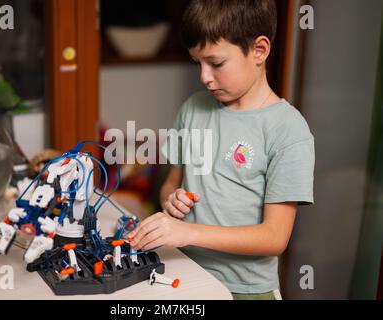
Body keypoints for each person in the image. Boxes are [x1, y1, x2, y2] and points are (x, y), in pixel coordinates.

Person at [129, 0, 315, 300]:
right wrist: (172, 201)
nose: (204, 77)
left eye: (215, 63)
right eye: (197, 63)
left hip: (244, 291)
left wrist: (188, 232)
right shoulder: (193, 109)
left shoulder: (288, 130)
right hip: (186, 273)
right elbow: (171, 185)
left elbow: (274, 237)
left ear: (259, 50)